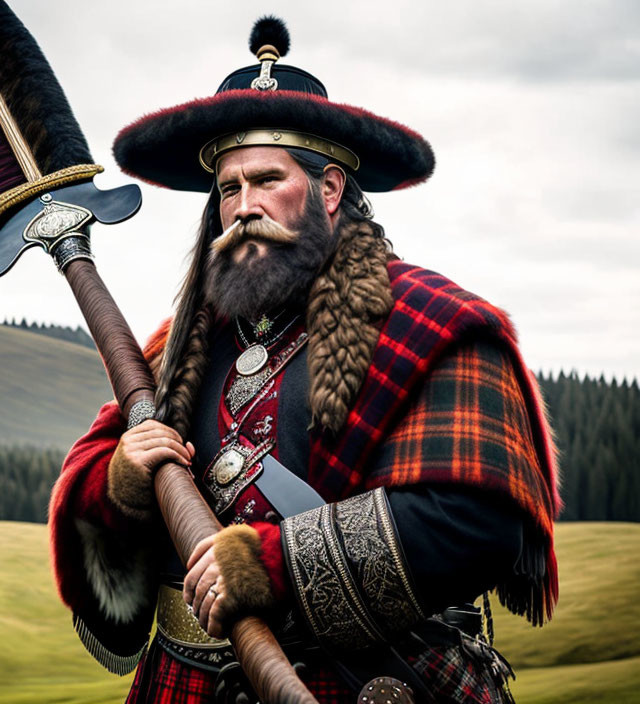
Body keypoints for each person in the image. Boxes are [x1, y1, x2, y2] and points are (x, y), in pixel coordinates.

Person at [49, 17, 559, 704]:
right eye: (228, 189)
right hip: (180, 684)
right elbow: (93, 498)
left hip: (357, 683)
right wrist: (120, 484)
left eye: (266, 180)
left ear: (328, 191)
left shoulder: (432, 322)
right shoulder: (181, 344)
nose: (243, 208)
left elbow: (472, 520)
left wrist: (275, 563)